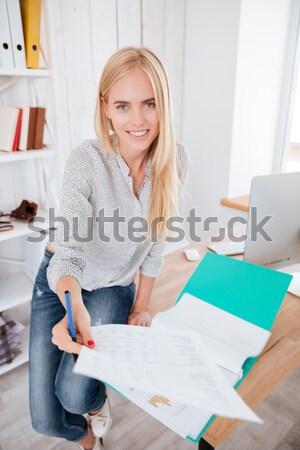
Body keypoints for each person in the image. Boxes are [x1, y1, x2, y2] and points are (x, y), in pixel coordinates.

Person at [29, 46, 189, 450]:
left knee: (76, 394)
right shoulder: (86, 160)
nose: (138, 120)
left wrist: (142, 307)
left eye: (149, 104)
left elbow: (156, 243)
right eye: (123, 105)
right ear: (105, 108)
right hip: (61, 282)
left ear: (164, 104)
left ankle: (97, 403)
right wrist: (73, 304)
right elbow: (68, 251)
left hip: (114, 284)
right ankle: (83, 433)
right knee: (45, 419)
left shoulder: (175, 160)